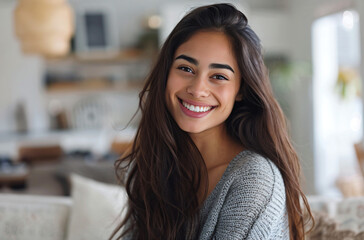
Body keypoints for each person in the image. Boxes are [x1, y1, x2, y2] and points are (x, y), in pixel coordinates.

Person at [112, 3, 313, 240]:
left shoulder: (254, 179)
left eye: (219, 76)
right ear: (166, 73)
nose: (197, 89)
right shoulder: (159, 165)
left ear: (241, 89)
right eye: (186, 68)